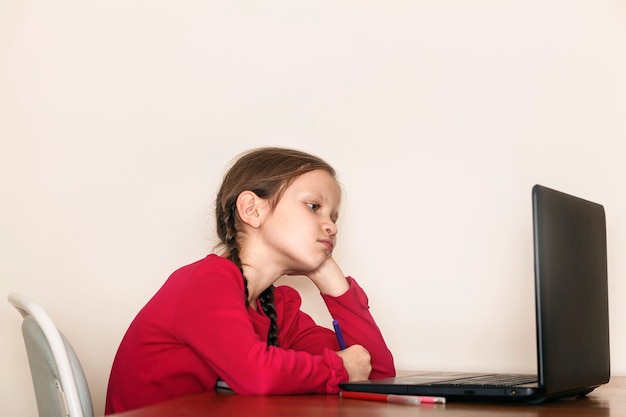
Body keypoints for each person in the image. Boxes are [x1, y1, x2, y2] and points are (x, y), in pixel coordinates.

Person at [105, 147, 395, 414]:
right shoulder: (206, 282)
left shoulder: (279, 306)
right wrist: (341, 368)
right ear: (252, 210)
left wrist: (331, 280)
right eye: (313, 206)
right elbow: (258, 374)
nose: (331, 226)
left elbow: (378, 373)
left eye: (334, 217)